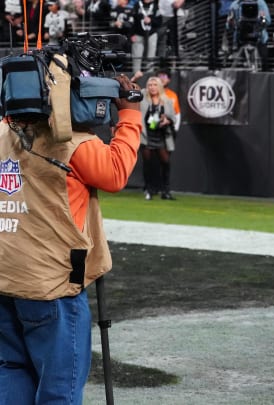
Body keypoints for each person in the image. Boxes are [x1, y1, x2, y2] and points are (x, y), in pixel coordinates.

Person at [0, 74, 141, 403]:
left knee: (10, 370)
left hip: (6, 277)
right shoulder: (72, 141)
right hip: (52, 285)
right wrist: (131, 113)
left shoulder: (3, 133)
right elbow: (117, 171)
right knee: (59, 390)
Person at [140, 75, 177, 200]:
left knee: (166, 163)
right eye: (150, 85)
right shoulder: (143, 98)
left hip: (161, 135)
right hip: (146, 135)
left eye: (155, 85)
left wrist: (167, 120)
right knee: (147, 164)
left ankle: (166, 191)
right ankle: (149, 190)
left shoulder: (166, 100)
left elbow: (173, 117)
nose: (152, 87)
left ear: (160, 86)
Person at [226, 0, 271, 71]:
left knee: (263, 68)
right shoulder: (235, 5)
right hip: (240, 39)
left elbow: (267, 21)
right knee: (240, 70)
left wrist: (262, 19)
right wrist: (231, 21)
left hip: (259, 38)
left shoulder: (260, 3)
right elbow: (229, 26)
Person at [157, 68, 181, 134]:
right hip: (154, 129)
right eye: (159, 77)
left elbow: (177, 114)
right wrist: (152, 127)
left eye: (164, 76)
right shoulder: (152, 93)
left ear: (169, 80)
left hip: (169, 130)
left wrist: (175, 129)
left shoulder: (173, 95)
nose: (162, 79)